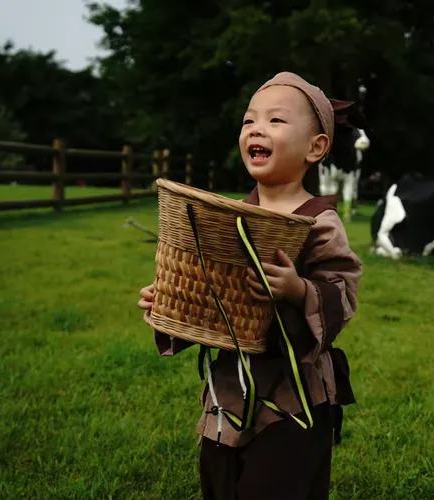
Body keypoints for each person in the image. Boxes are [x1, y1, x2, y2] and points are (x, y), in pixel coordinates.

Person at [137, 71, 364, 500]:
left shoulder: (319, 221)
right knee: (220, 483)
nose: (257, 128)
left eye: (276, 121)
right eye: (249, 121)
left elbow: (343, 291)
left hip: (291, 397)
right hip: (228, 391)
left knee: (278, 484)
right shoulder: (228, 219)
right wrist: (168, 306)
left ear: (316, 148)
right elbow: (208, 294)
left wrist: (298, 290)